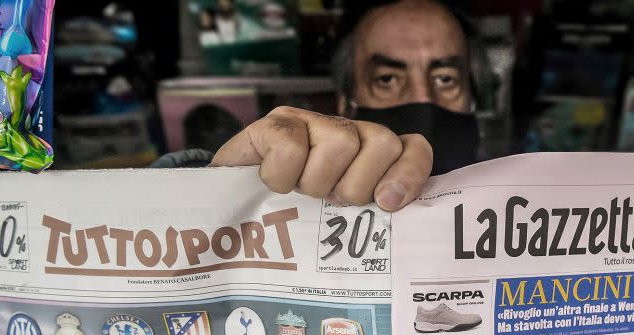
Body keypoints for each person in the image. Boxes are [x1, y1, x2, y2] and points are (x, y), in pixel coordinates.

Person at [203, 0, 483, 213]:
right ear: (344, 103)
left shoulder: (517, 206)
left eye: (446, 79)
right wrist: (226, 188)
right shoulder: (293, 204)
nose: (423, 99)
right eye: (387, 79)